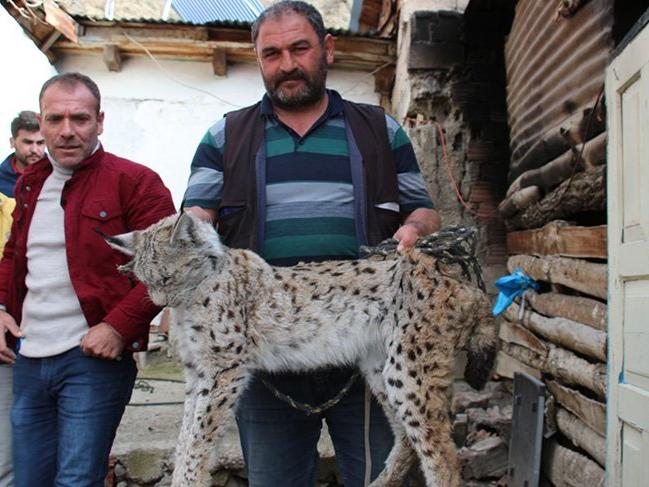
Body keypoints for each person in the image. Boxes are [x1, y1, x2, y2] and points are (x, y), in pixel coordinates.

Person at [182, 2, 441, 485]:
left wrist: (414, 230)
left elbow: (423, 211)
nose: (287, 64)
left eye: (299, 48)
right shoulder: (224, 136)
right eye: (272, 54)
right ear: (259, 60)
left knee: (382, 477)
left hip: (367, 346)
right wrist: (188, 240)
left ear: (328, 49)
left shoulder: (380, 130)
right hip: (265, 356)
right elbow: (196, 219)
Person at [0, 72, 175, 487]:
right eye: (55, 119)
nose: (67, 131)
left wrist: (118, 326)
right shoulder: (29, 184)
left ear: (100, 121)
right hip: (28, 357)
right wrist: (2, 306)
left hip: (92, 362)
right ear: (41, 124)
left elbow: (171, 267)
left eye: (79, 118)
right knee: (28, 480)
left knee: (76, 481)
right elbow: (15, 255)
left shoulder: (135, 182)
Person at [0, 111, 45, 487]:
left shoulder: (58, 182)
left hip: (42, 324)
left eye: (40, 142)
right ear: (12, 141)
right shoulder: (3, 188)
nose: (35, 150)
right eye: (28, 142)